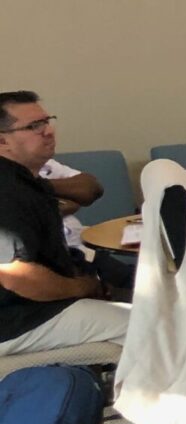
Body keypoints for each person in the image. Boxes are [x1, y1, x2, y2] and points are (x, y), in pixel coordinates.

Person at [0, 91, 129, 359]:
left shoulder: (25, 182)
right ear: (3, 141)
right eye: (34, 126)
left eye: (47, 121)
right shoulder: (7, 190)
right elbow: (16, 276)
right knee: (149, 325)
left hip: (33, 305)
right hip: (16, 318)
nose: (48, 131)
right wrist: (81, 288)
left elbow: (90, 189)